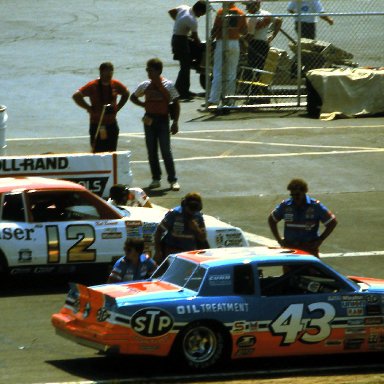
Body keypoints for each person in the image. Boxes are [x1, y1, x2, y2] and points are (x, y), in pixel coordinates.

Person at [130, 58, 181, 191]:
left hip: (163, 120)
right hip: (149, 120)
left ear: (158, 71)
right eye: (147, 70)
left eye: (150, 70)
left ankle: (172, 179)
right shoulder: (145, 85)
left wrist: (175, 122)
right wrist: (144, 105)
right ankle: (155, 178)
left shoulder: (168, 85)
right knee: (151, 151)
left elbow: (176, 103)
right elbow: (133, 97)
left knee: (166, 151)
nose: (148, 73)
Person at [268, 178, 337, 257]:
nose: (294, 198)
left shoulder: (315, 206)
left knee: (311, 269)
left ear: (304, 192)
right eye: (292, 195)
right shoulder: (286, 206)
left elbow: (332, 222)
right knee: (291, 269)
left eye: (297, 195)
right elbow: (272, 220)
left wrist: (320, 240)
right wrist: (279, 240)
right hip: (290, 250)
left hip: (309, 249)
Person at [72, 62, 129, 153]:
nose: (109, 74)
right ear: (101, 72)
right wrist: (88, 108)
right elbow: (76, 96)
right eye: (107, 71)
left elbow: (126, 93)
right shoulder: (93, 85)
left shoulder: (115, 84)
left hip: (111, 124)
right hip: (97, 124)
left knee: (112, 152)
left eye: (111, 71)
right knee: (97, 152)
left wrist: (118, 107)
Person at [208, 2, 248, 107]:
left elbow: (215, 28)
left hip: (222, 41)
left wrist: (211, 40)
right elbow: (245, 31)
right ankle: (230, 100)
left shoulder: (221, 12)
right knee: (232, 72)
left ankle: (214, 99)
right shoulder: (241, 13)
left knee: (217, 71)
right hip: (234, 42)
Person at [154, 192, 208, 264]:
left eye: (194, 210)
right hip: (172, 252)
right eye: (190, 210)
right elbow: (159, 231)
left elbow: (203, 238)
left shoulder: (198, 216)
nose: (192, 213)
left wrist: (196, 229)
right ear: (184, 205)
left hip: (189, 254)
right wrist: (158, 251)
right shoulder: (174, 214)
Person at [169, 1, 207, 100]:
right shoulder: (192, 20)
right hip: (181, 41)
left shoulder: (184, 7)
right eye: (202, 13)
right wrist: (203, 47)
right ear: (199, 10)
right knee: (185, 67)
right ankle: (182, 92)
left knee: (184, 66)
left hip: (176, 38)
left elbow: (171, 11)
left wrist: (178, 21)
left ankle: (181, 89)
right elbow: (195, 38)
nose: (201, 16)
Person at [245, 0, 282, 70]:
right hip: (264, 43)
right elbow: (279, 20)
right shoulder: (266, 14)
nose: (247, 8)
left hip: (254, 43)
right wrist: (273, 35)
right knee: (262, 65)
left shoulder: (252, 17)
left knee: (252, 65)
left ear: (255, 5)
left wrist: (242, 41)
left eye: (248, 6)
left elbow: (250, 35)